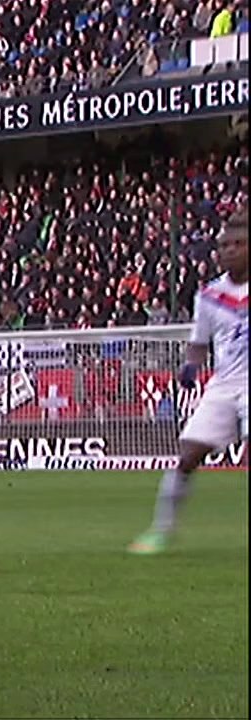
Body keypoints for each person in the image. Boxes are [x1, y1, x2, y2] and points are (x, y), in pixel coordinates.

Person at [130, 206, 248, 555]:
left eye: (238, 244)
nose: (229, 250)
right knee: (188, 456)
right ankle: (161, 530)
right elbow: (199, 340)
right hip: (225, 383)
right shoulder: (209, 295)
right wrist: (190, 367)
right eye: (224, 245)